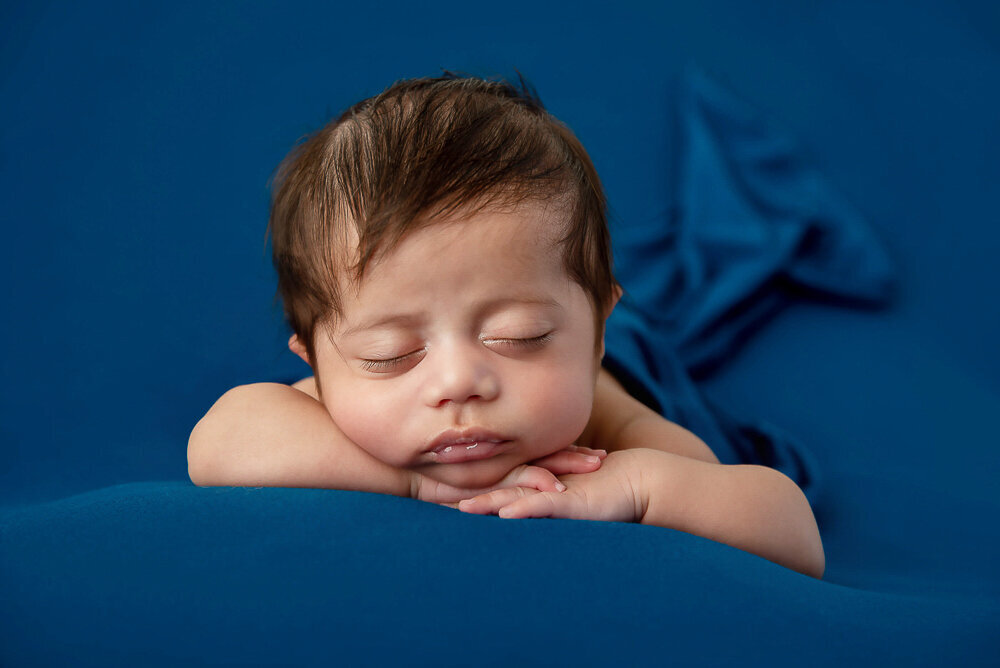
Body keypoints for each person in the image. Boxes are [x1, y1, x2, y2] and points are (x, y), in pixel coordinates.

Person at [188, 74, 825, 579]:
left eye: (517, 336)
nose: (459, 380)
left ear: (598, 326)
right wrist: (415, 483)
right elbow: (216, 443)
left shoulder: (612, 427)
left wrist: (635, 486)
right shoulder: (326, 414)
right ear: (314, 362)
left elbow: (790, 532)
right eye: (391, 353)